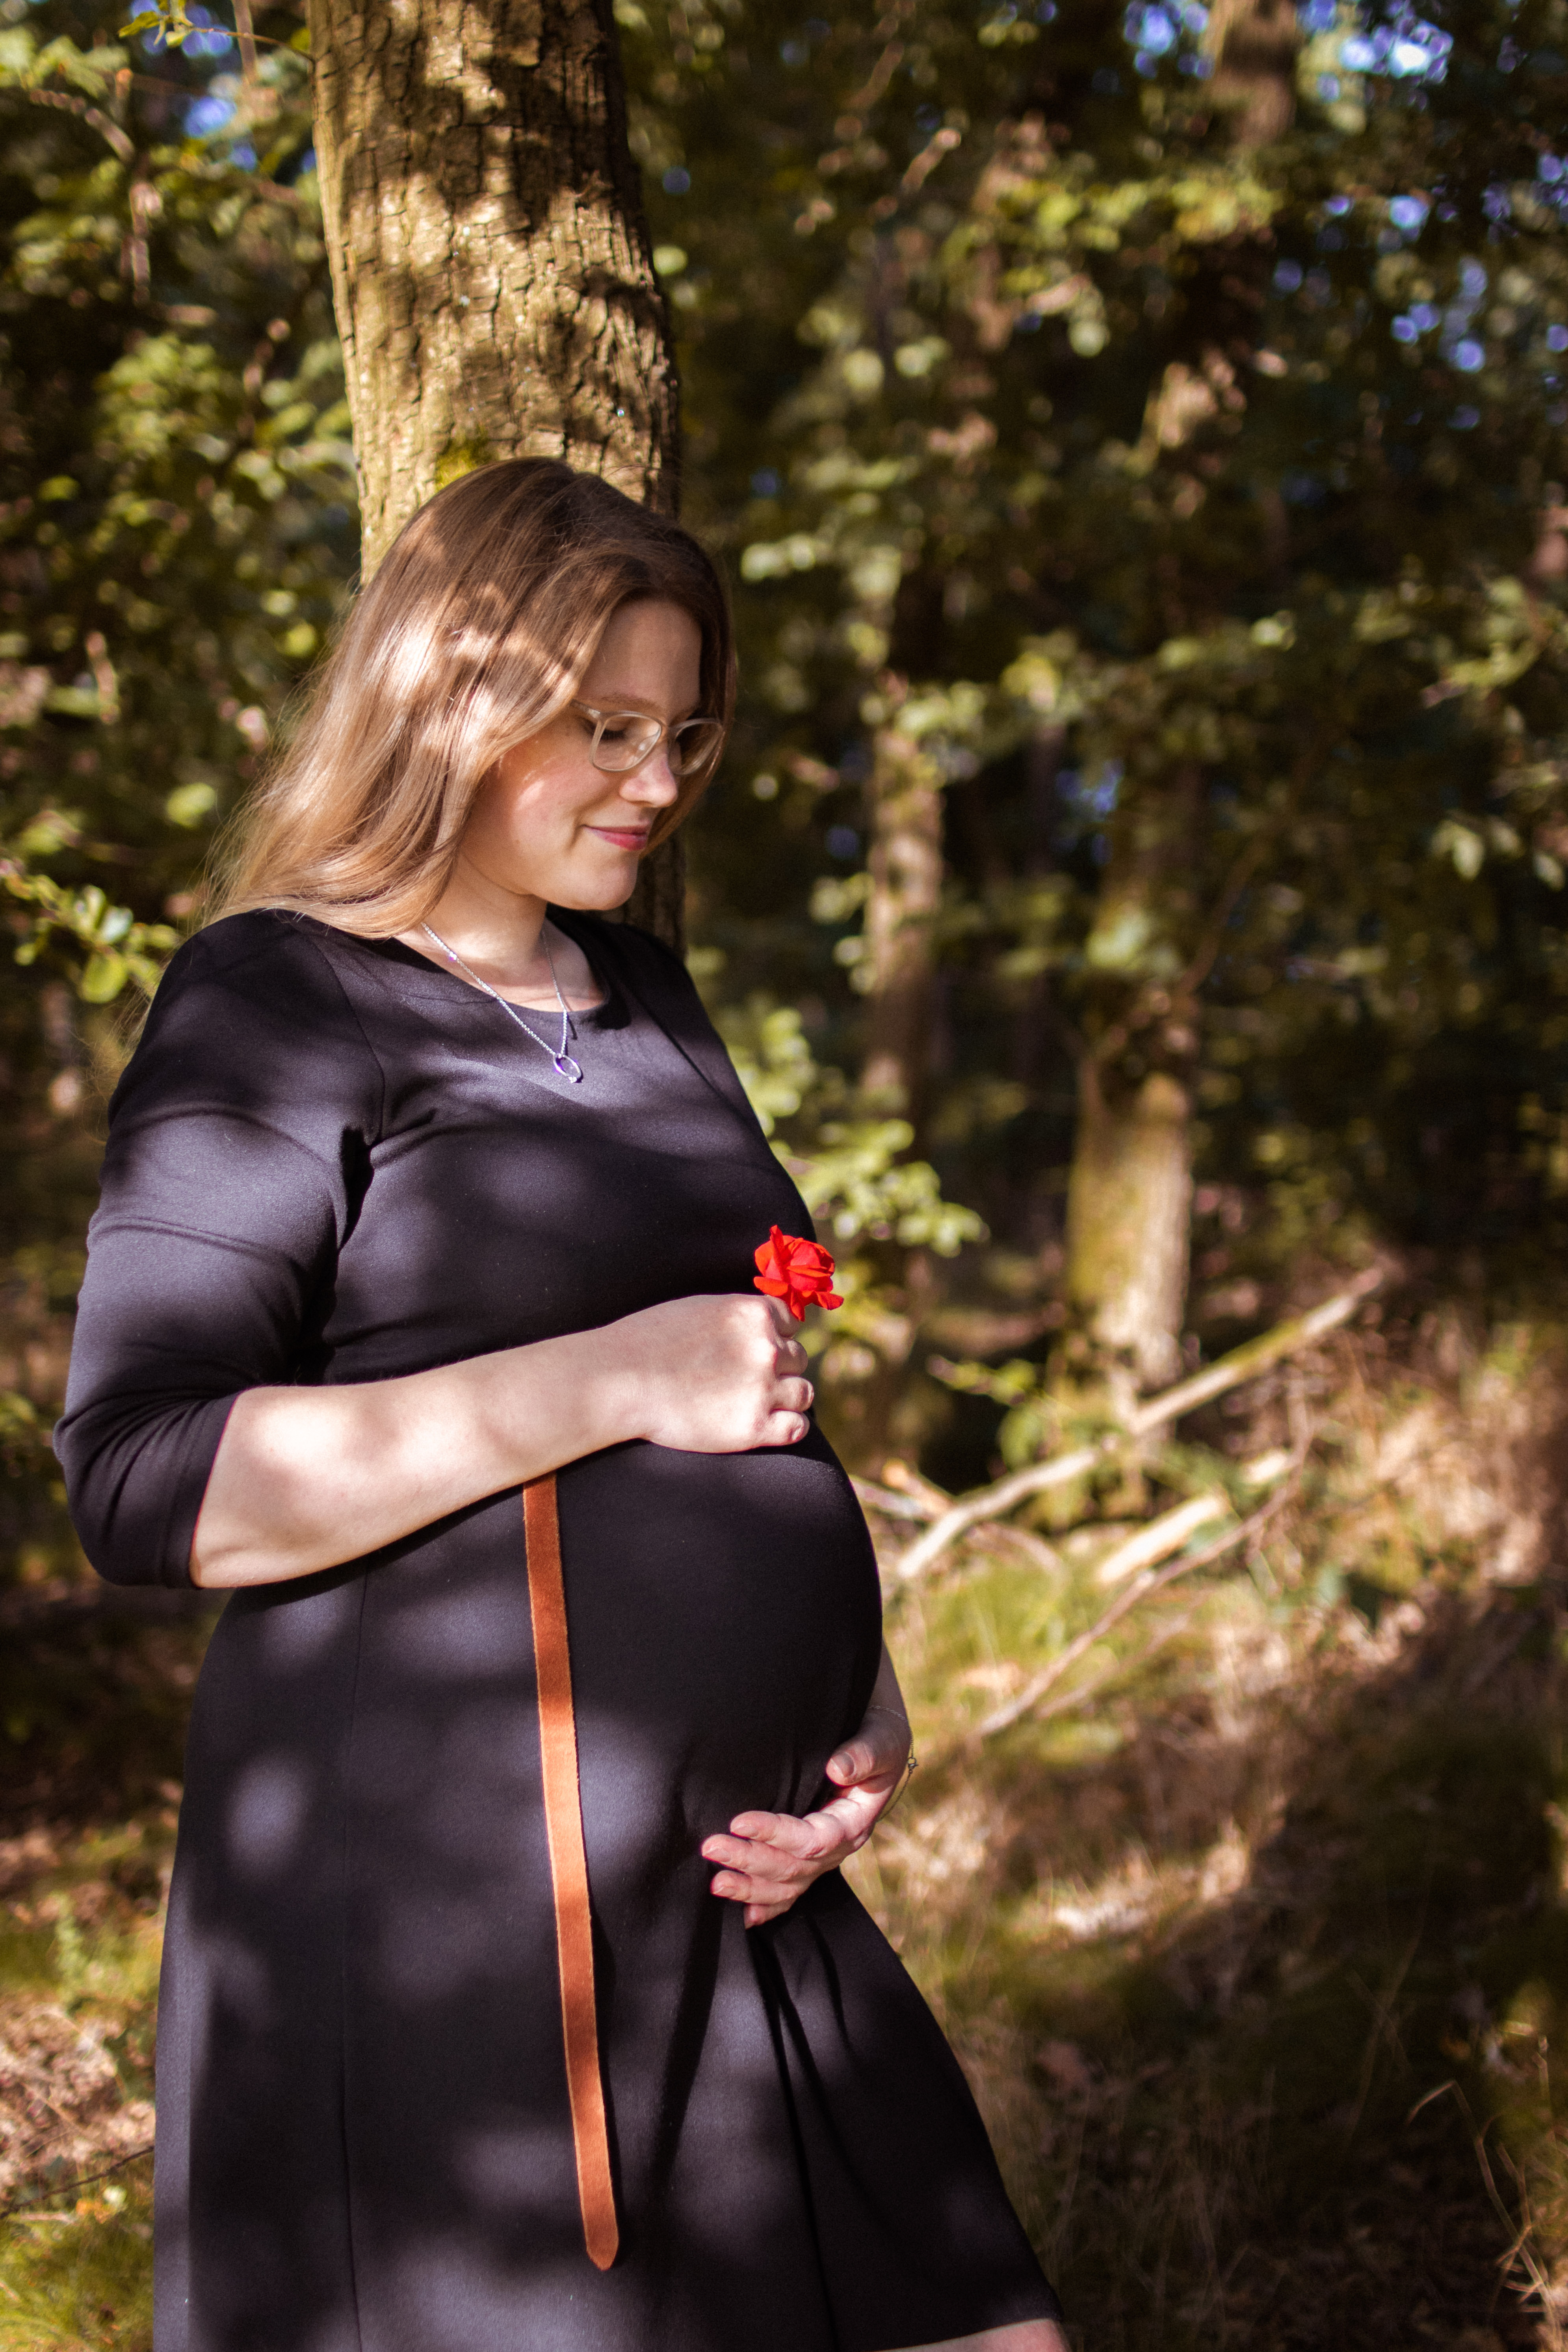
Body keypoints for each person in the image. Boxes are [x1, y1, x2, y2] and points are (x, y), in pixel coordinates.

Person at [57, 459, 1068, 2352]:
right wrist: (610, 1376)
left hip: (731, 1885)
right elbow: (145, 1480)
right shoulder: (280, 995)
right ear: (448, 701)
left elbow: (743, 1368)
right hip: (464, 1907)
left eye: (679, 730)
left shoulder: (651, 996)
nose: (656, 779)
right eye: (601, 727)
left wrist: (852, 1694)